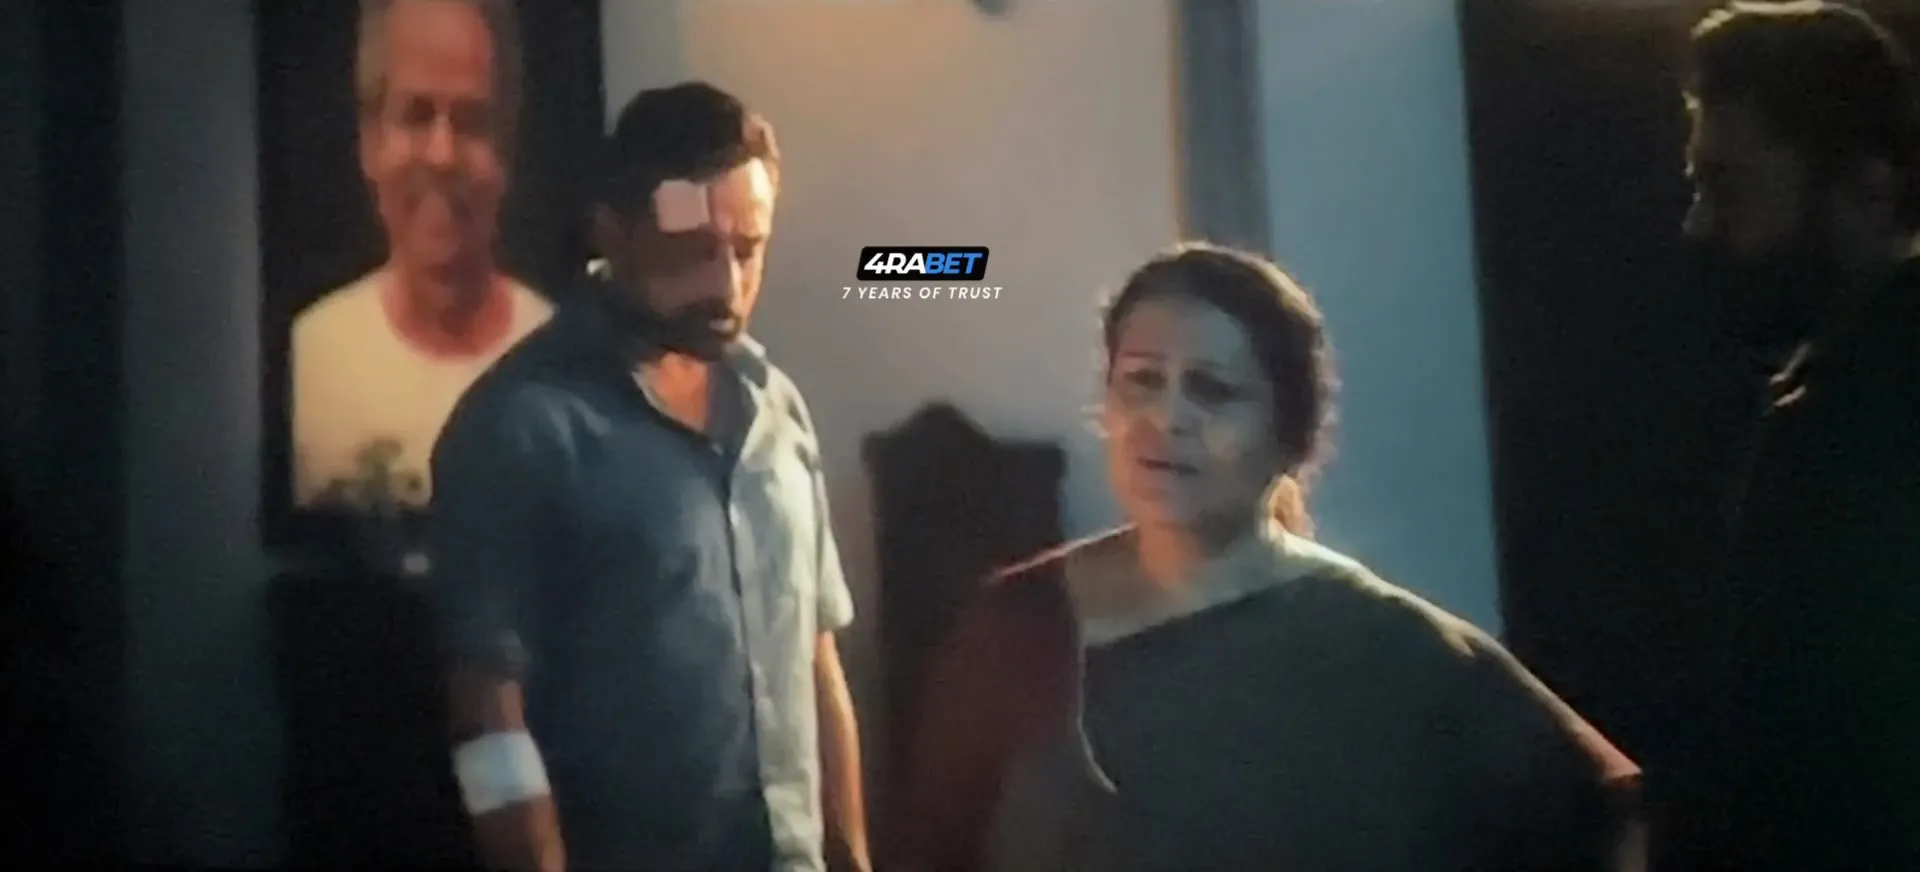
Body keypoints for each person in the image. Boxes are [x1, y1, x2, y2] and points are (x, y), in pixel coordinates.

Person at [891, 243, 1645, 872]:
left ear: (1290, 434)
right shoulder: (1018, 622)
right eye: (1142, 382)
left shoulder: (1385, 644)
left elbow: (1601, 813)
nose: (1166, 417)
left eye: (1213, 391)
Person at [427, 82, 869, 872]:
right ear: (613, 234)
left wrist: (851, 857)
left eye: (748, 249)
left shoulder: (778, 410)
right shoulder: (521, 427)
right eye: (692, 250)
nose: (727, 285)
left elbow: (815, 664)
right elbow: (487, 715)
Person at [1677, 3, 1920, 866]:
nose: (1699, 224)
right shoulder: (1828, 400)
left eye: (1729, 185)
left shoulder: (1853, 421)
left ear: (1869, 183)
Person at [292, 0, 552, 509]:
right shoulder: (309, 358)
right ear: (370, 141)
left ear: (507, 149)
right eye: (416, 115)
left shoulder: (564, 362)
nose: (441, 155)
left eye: (471, 121)